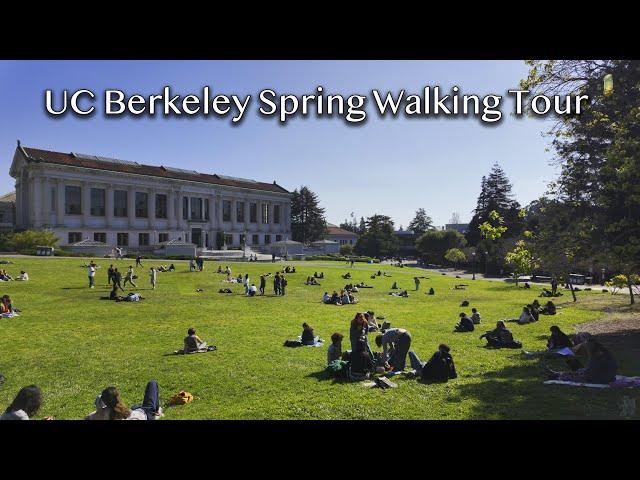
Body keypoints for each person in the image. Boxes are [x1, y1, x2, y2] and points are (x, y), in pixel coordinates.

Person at [547, 334, 618, 384]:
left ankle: (558, 376)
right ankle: (558, 374)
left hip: (602, 378)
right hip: (608, 376)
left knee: (579, 375)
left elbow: (592, 369)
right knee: (580, 372)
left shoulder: (594, 351)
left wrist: (584, 372)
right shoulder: (601, 350)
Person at [85, 381, 161, 420]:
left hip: (136, 412)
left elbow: (88, 418)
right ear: (117, 397)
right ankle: (156, 411)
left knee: (135, 406)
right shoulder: (123, 411)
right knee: (152, 383)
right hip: (146, 414)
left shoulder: (103, 413)